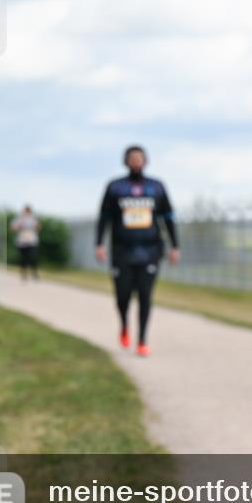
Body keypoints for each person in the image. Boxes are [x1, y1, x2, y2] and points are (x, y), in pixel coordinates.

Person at [95, 145, 180, 357]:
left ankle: (142, 340)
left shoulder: (157, 187)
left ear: (146, 161)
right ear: (126, 161)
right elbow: (104, 218)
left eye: (139, 158)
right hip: (122, 251)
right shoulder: (115, 187)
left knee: (145, 295)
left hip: (150, 250)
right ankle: (124, 324)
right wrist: (99, 244)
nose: (136, 161)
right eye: (132, 158)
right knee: (122, 295)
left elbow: (168, 218)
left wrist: (175, 246)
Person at [11, 206, 41, 281]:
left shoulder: (33, 219)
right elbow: (13, 228)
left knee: (33, 257)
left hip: (31, 241)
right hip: (22, 241)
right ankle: (23, 274)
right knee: (23, 258)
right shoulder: (19, 219)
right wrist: (19, 226)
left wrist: (36, 227)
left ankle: (34, 273)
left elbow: (38, 227)